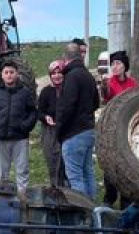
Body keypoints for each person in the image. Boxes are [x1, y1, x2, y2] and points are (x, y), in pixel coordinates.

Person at [0, 60, 38, 190]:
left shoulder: (25, 93)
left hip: (20, 138)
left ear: (17, 74)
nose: (9, 75)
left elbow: (33, 112)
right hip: (1, 138)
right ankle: (3, 199)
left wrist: (25, 126)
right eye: (6, 72)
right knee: (3, 172)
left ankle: (22, 197)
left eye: (12, 72)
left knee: (22, 170)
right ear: (2, 75)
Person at [55, 42, 100, 199]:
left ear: (65, 58)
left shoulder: (71, 77)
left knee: (75, 177)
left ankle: (83, 214)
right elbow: (96, 102)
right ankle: (93, 209)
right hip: (89, 130)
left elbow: (66, 108)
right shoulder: (88, 75)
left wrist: (59, 131)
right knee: (88, 172)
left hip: (73, 133)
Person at [100, 50, 138, 206]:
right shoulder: (109, 82)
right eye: (113, 64)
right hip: (112, 129)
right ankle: (109, 197)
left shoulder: (133, 84)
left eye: (118, 63)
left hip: (128, 129)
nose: (115, 67)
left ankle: (126, 199)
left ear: (125, 66)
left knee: (127, 165)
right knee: (111, 164)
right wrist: (103, 86)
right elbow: (106, 97)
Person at [38, 60, 67, 187]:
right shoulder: (46, 92)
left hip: (67, 130)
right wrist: (45, 117)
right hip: (50, 131)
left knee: (66, 161)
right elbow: (39, 112)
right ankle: (55, 188)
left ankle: (69, 191)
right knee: (53, 160)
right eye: (53, 73)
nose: (56, 75)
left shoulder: (69, 90)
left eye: (59, 72)